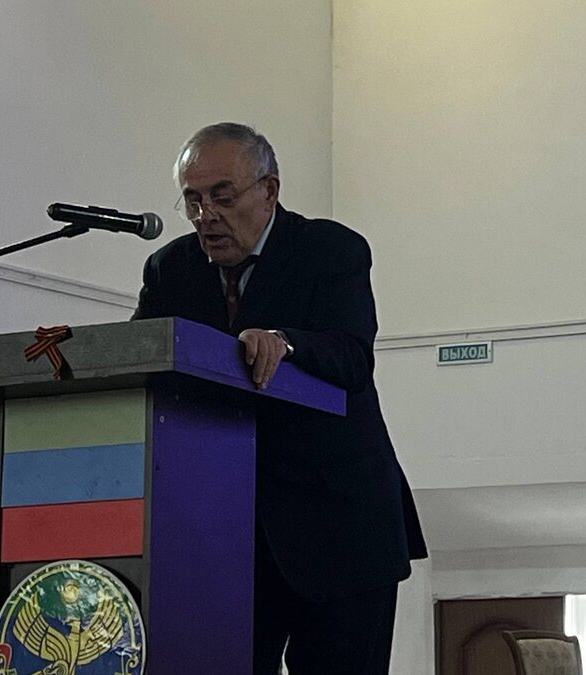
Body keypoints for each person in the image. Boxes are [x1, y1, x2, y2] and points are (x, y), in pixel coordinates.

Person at [133, 122, 427, 674]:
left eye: (223, 197)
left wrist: (286, 343)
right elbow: (141, 361)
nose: (206, 216)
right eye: (193, 201)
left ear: (268, 191)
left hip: (339, 529)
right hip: (224, 537)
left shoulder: (330, 250)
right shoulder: (170, 269)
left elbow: (351, 357)